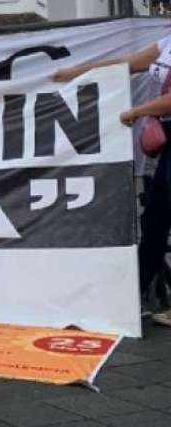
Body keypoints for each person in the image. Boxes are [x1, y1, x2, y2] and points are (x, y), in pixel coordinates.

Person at [55, 40, 171, 322]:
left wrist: (138, 111)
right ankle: (131, 300)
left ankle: (132, 298)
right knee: (155, 220)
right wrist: (76, 72)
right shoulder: (167, 42)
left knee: (158, 218)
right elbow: (126, 64)